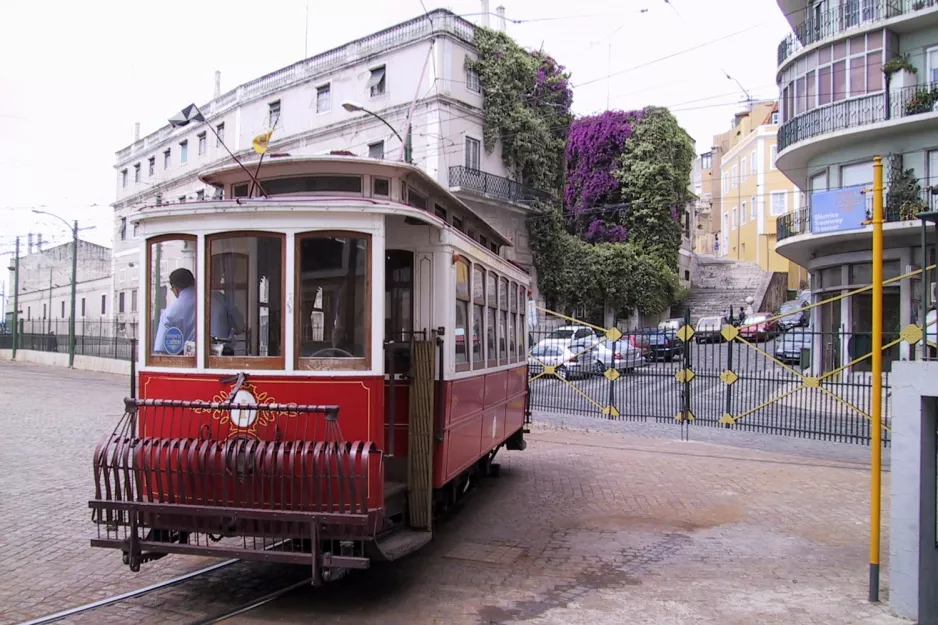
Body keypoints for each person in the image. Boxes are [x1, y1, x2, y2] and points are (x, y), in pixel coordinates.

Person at [153, 268, 245, 355]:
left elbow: (161, 350)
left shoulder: (169, 313)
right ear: (194, 282)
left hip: (187, 364)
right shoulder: (220, 298)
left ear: (175, 289)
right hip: (222, 361)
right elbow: (240, 327)